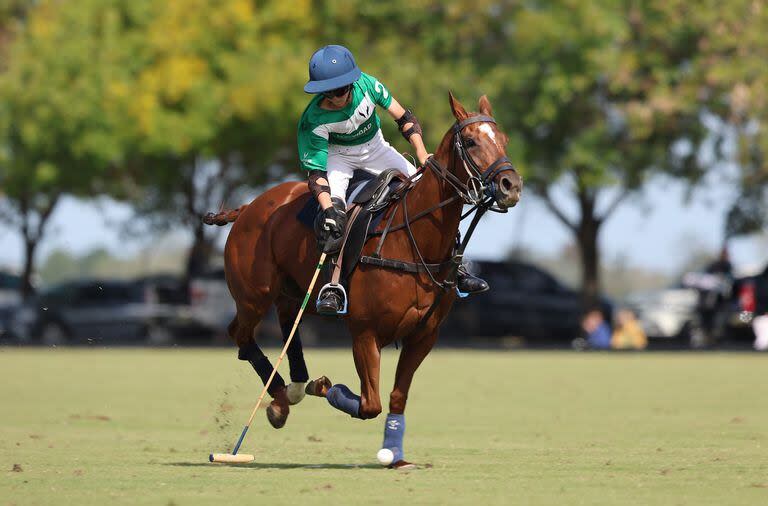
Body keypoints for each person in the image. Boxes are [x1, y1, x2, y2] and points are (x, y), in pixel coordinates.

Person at [297, 45, 488, 315]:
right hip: (339, 158)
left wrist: (422, 154)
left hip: (377, 149)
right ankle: (333, 285)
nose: (335, 97)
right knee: (334, 219)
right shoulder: (313, 120)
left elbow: (405, 119)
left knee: (432, 191)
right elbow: (316, 174)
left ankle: (457, 269)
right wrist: (328, 207)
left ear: (352, 83)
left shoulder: (369, 86)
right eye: (327, 92)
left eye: (340, 90)